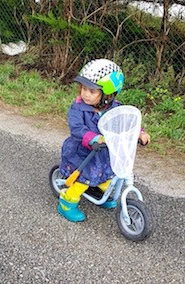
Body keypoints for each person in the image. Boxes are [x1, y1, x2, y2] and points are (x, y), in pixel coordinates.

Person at [57, 59, 150, 223]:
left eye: (92, 91)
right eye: (84, 88)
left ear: (107, 95)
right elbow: (77, 129)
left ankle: (99, 192)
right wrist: (94, 138)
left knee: (107, 177)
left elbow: (125, 122)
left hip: (104, 153)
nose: (85, 94)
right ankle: (66, 202)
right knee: (82, 181)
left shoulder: (114, 108)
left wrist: (139, 133)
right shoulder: (78, 108)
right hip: (84, 154)